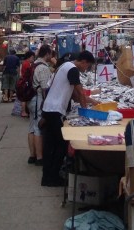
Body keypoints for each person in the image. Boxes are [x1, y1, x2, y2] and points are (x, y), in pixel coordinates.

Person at [41, 50, 95, 187]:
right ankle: (53, 178)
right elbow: (80, 93)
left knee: (50, 144)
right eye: (88, 66)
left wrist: (93, 102)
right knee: (61, 144)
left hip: (49, 109)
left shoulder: (65, 66)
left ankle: (47, 177)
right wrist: (86, 113)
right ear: (84, 62)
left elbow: (75, 96)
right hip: (55, 110)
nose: (86, 69)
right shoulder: (73, 69)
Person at [27, 44, 54, 166]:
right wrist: (46, 105)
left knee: (32, 127)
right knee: (38, 127)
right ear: (47, 53)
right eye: (50, 53)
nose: (51, 56)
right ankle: (39, 157)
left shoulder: (34, 64)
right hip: (38, 99)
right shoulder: (43, 68)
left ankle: (32, 155)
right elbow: (45, 88)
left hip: (31, 99)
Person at [18, 50, 36, 117]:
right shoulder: (26, 63)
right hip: (25, 81)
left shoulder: (25, 63)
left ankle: (24, 111)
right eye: (32, 57)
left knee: (24, 97)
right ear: (29, 57)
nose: (33, 59)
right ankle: (23, 112)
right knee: (24, 98)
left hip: (24, 81)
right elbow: (29, 72)